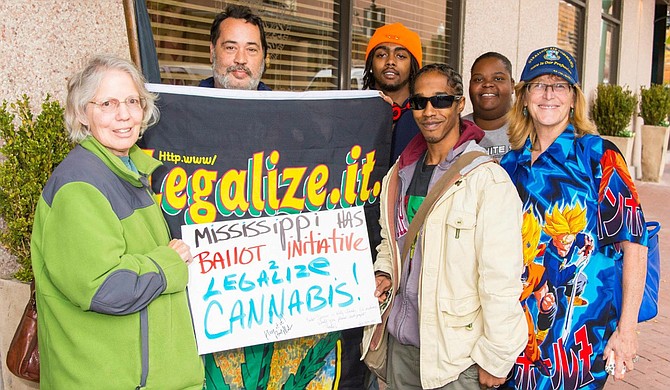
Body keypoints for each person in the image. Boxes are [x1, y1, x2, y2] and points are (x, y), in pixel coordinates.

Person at [31, 55, 204, 389]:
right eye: (108, 103)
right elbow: (104, 288)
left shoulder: (128, 172)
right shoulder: (79, 187)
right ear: (82, 113)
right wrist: (168, 263)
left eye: (131, 101)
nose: (124, 114)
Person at [362, 63, 527, 389]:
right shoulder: (401, 172)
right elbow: (390, 241)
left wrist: (497, 356)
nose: (428, 111)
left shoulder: (486, 180)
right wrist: (384, 272)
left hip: (454, 360)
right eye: (419, 102)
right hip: (401, 347)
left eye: (440, 100)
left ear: (459, 103)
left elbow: (501, 279)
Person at [500, 46, 648, 389]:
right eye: (538, 84)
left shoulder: (600, 156)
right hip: (516, 334)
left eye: (559, 85)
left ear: (573, 99)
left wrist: (627, 330)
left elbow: (635, 245)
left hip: (580, 340)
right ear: (524, 98)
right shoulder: (509, 166)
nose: (548, 94)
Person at [363, 22, 423, 165]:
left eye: (401, 56)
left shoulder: (426, 114)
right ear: (371, 64)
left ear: (413, 66)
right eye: (381, 54)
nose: (390, 61)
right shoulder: (356, 113)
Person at [200, 4, 271, 90]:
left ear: (263, 56)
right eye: (231, 48)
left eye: (251, 49)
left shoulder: (281, 103)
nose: (241, 60)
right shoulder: (187, 102)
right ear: (212, 52)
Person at [463, 52, 514, 160]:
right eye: (478, 79)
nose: (487, 84)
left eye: (498, 78)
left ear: (512, 85)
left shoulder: (530, 128)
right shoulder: (456, 131)